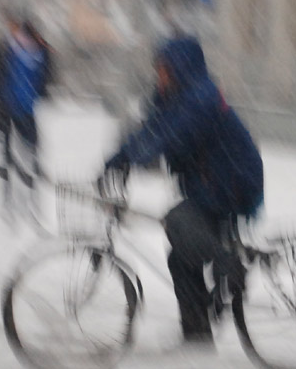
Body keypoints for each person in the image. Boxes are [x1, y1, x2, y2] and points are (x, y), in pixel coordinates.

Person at [100, 36, 263, 346]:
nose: (159, 74)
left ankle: (230, 266)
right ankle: (197, 334)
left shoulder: (200, 99)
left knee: (178, 220)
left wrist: (130, 159)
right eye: (158, 68)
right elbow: (152, 130)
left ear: (181, 68)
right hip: (209, 183)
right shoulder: (174, 98)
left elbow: (171, 137)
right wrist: (119, 159)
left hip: (234, 181)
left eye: (164, 68)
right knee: (181, 257)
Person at [0, 15, 51, 221]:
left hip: (16, 107)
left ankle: (14, 198)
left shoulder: (16, 50)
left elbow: (42, 78)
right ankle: (23, 197)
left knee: (16, 155)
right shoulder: (34, 52)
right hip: (20, 107)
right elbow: (42, 78)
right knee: (27, 154)